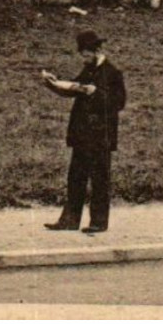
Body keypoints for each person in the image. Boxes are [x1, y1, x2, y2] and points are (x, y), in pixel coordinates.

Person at [39, 29, 126, 234]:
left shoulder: (112, 73)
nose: (83, 57)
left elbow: (118, 103)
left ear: (97, 51)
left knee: (99, 179)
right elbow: (73, 89)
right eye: (82, 54)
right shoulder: (88, 69)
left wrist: (95, 93)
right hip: (82, 135)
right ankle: (70, 219)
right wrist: (52, 84)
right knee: (75, 177)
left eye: (86, 53)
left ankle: (98, 222)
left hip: (101, 136)